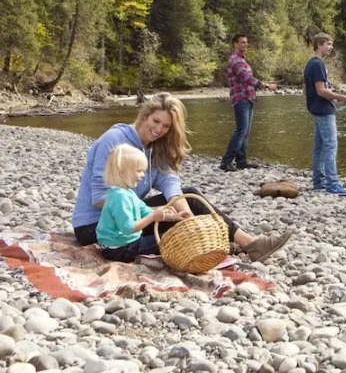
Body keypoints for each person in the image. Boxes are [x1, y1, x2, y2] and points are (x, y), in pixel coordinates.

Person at [73, 92, 293, 263]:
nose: (159, 129)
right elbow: (100, 198)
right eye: (156, 121)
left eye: (166, 126)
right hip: (97, 226)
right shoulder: (114, 141)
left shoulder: (153, 148)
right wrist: (154, 214)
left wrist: (183, 209)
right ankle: (238, 244)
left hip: (129, 213)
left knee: (190, 196)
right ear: (145, 115)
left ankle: (247, 243)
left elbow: (169, 181)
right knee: (174, 223)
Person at [96, 144, 188, 263]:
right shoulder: (120, 197)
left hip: (120, 243)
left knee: (167, 235)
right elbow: (128, 229)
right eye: (139, 171)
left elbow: (145, 210)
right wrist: (154, 217)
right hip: (119, 249)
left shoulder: (127, 192)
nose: (143, 175)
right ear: (123, 172)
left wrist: (172, 216)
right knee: (170, 240)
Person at [304, 32, 346, 195]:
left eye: (331, 44)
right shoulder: (318, 64)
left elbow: (305, 91)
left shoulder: (309, 64)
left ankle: (318, 182)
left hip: (316, 108)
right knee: (331, 145)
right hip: (324, 110)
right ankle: (332, 184)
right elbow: (320, 91)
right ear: (319, 45)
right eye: (328, 44)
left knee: (319, 147)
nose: (331, 47)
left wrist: (328, 92)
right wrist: (341, 98)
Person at [221, 34, 276, 171]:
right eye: (242, 42)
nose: (245, 45)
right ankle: (226, 161)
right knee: (241, 131)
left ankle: (241, 160)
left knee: (245, 132)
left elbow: (248, 78)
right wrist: (266, 86)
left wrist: (261, 85)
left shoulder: (242, 60)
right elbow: (246, 78)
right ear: (235, 44)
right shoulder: (235, 61)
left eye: (246, 42)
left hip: (248, 98)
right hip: (241, 99)